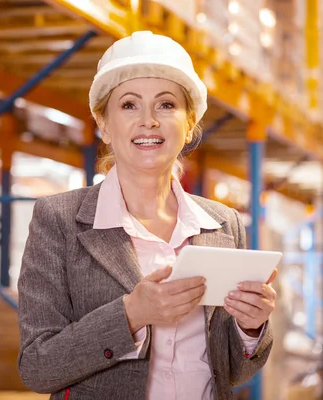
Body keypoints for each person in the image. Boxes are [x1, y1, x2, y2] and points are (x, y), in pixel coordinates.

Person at [17, 31, 276, 400]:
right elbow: (37, 367)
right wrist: (130, 315)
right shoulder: (58, 220)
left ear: (188, 126)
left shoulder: (223, 225)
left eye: (166, 105)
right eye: (129, 105)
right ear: (104, 125)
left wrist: (251, 327)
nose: (149, 121)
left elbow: (231, 370)